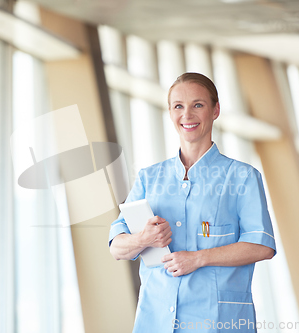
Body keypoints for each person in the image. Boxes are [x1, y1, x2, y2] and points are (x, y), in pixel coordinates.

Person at [108, 72, 276, 333]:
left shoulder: (242, 177)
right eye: (178, 106)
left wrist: (198, 258)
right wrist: (143, 239)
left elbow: (261, 246)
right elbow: (117, 248)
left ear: (215, 110)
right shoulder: (148, 179)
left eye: (198, 105)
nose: (187, 115)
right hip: (155, 323)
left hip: (219, 323)